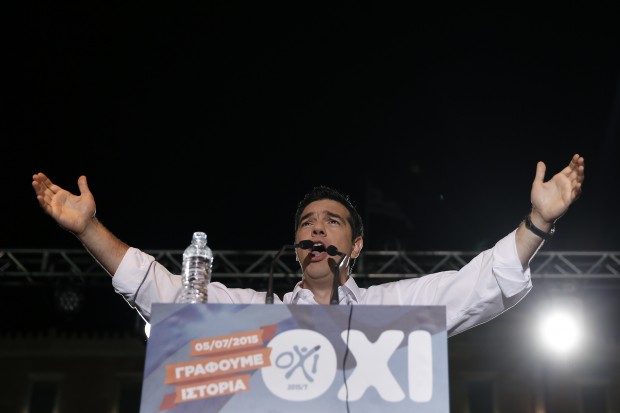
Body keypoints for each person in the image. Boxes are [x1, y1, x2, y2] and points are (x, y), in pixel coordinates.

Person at [31, 154, 585, 337]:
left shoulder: (393, 312)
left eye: (332, 223)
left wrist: (536, 222)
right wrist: (87, 230)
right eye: (309, 224)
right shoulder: (255, 314)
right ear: (296, 247)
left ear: (357, 244)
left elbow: (478, 285)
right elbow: (163, 294)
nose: (317, 230)